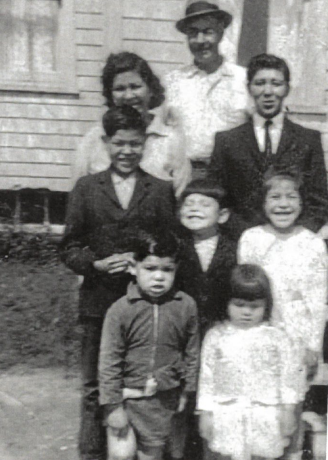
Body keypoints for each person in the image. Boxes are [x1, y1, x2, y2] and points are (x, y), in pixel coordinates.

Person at [61, 106, 176, 460]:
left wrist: (146, 267)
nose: (127, 151)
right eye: (119, 143)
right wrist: (94, 262)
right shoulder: (86, 188)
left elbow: (171, 244)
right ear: (106, 142)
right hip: (98, 301)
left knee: (139, 382)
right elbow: (68, 246)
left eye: (135, 144)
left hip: (144, 306)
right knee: (96, 384)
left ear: (145, 145)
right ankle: (92, 453)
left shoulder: (158, 189)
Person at [238, 170, 328, 460]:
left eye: (291, 196)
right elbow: (245, 291)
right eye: (275, 197)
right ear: (262, 203)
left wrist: (313, 345)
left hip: (297, 339)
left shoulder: (313, 244)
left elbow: (318, 298)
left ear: (302, 203)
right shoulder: (251, 238)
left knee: (291, 411)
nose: (283, 204)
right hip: (259, 337)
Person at [98, 231, 199, 460]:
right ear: (133, 267)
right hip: (126, 398)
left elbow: (192, 351)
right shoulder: (121, 310)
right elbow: (108, 361)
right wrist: (113, 406)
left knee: (151, 454)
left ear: (176, 269)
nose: (159, 277)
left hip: (161, 400)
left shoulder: (185, 306)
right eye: (150, 269)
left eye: (167, 270)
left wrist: (187, 390)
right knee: (121, 455)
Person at [209, 53, 328, 237]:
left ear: (287, 88)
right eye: (260, 83)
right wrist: (248, 235)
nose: (268, 91)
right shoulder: (227, 141)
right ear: (249, 88)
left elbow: (319, 201)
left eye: (276, 83)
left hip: (293, 241)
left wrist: (295, 236)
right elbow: (218, 199)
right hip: (240, 239)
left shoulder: (308, 139)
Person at [198, 264, 298, 460]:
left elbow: (288, 377)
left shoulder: (276, 338)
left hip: (265, 413)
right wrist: (205, 412)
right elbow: (207, 377)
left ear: (266, 305)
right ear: (227, 302)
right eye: (239, 304)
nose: (246, 312)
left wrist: (288, 410)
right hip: (227, 412)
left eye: (254, 306)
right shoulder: (216, 336)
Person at [73, 51, 191, 197]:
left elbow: (182, 197)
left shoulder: (171, 140)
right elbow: (79, 194)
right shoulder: (95, 138)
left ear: (151, 90)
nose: (128, 96)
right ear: (110, 95)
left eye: (135, 87)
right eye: (119, 89)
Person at [164, 0, 249, 178]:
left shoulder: (243, 79)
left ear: (220, 32)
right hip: (183, 176)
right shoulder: (172, 82)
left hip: (232, 177)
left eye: (208, 31)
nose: (201, 41)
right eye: (193, 33)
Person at [177, 179, 236, 339]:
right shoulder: (175, 248)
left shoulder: (235, 249)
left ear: (222, 216)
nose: (195, 209)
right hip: (182, 327)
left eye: (205, 205)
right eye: (188, 204)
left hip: (223, 327)